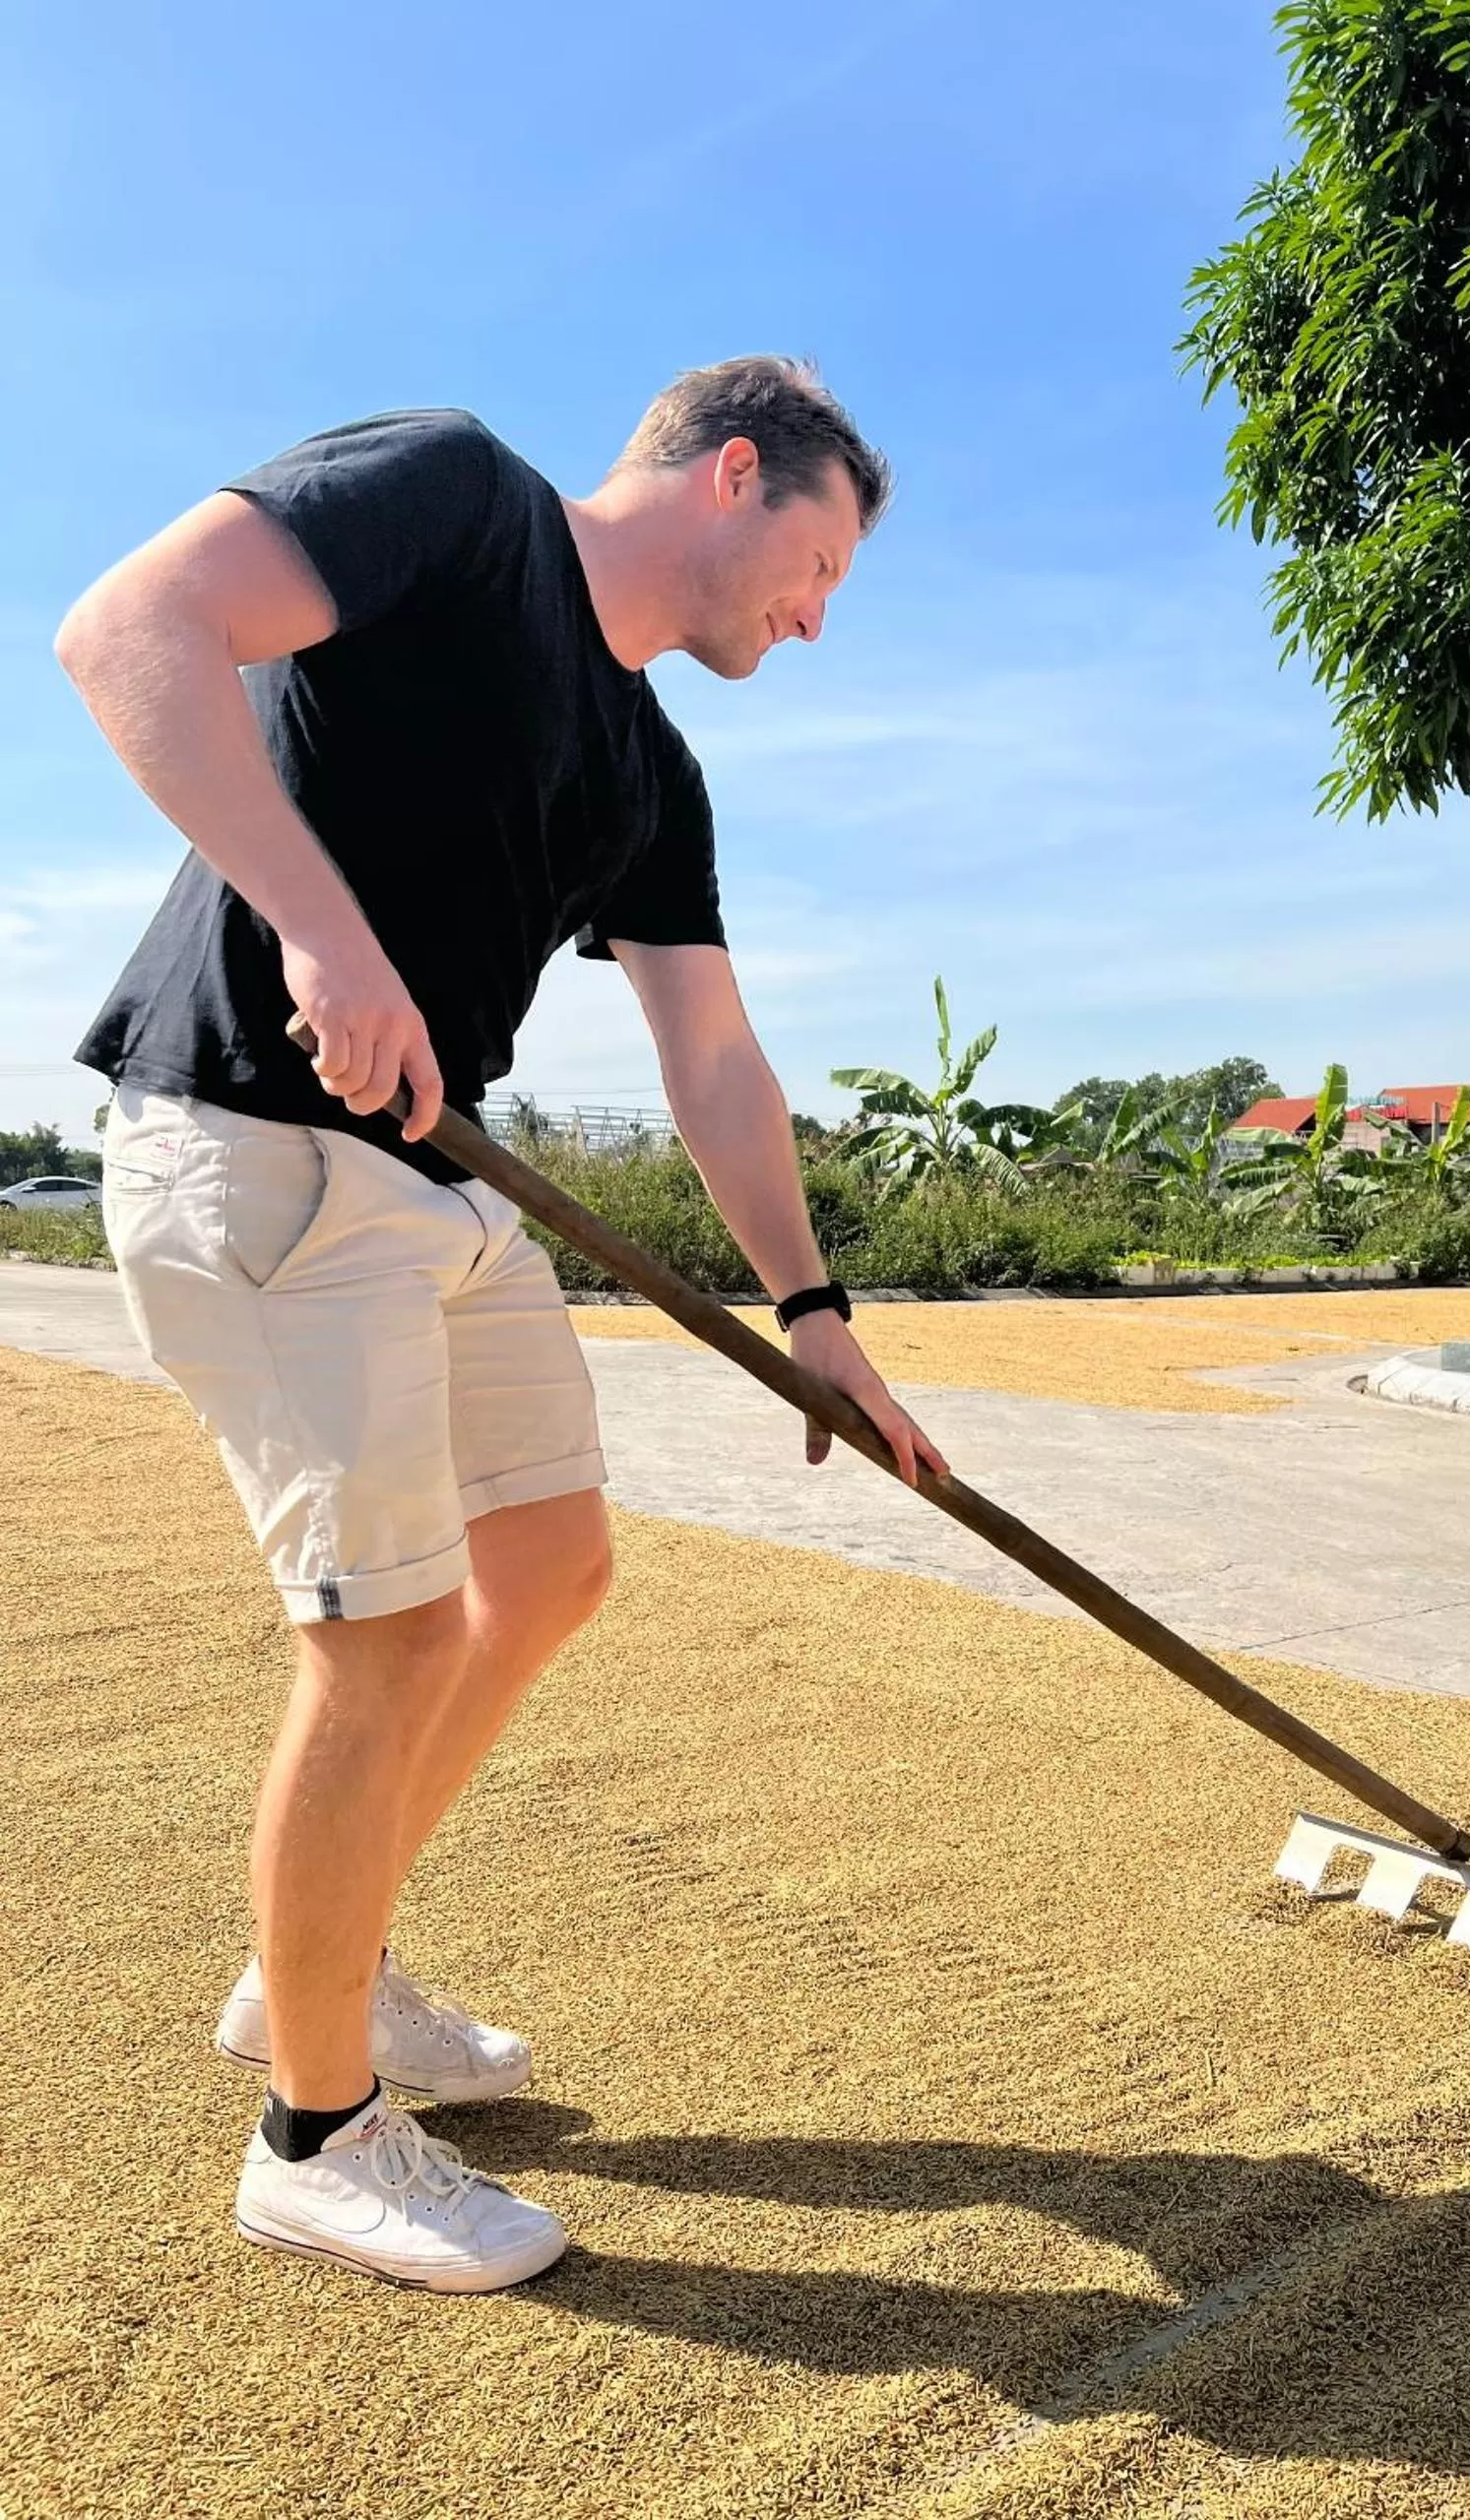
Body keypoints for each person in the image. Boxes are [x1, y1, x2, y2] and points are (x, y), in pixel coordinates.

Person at [57, 356, 947, 2295]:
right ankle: (312, 2137)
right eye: (821, 562)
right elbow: (133, 626)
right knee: (378, 1631)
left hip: (442, 1182)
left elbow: (712, 1057)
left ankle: (330, 1970)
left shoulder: (644, 774)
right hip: (257, 1142)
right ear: (735, 472)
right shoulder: (458, 502)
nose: (818, 614)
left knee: (545, 1562)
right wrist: (318, 925)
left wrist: (816, 1312)